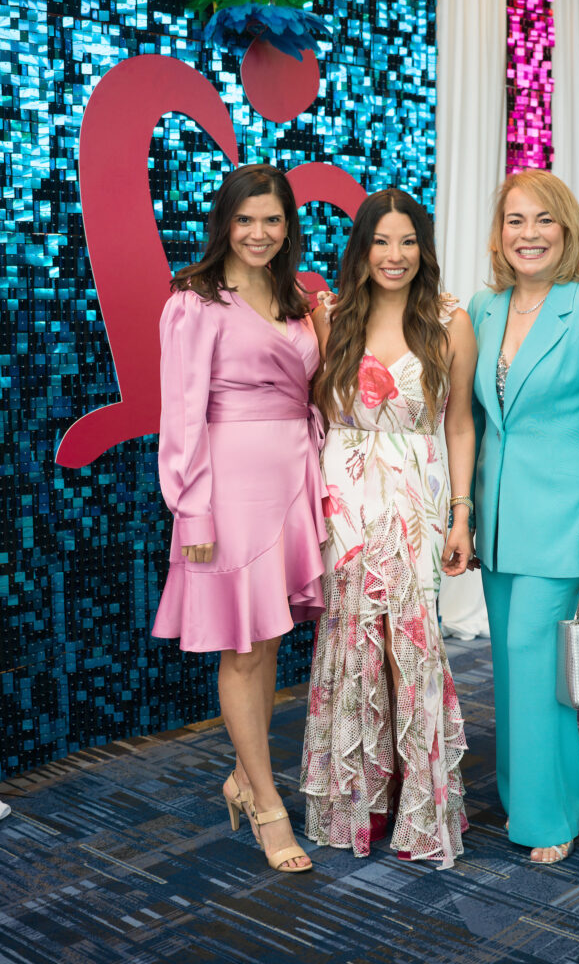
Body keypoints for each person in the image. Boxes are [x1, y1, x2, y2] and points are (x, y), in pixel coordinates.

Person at [152, 163, 326, 873]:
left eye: (273, 220)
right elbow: (181, 415)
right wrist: (190, 510)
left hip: (294, 477)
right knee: (243, 649)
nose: (259, 233)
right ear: (225, 221)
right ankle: (266, 804)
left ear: (288, 227)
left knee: (272, 642)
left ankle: (242, 775)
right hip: (227, 490)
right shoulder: (194, 302)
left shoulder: (296, 298)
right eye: (246, 218)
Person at [300, 189, 478, 867]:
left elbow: (459, 424)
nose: (395, 255)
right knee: (350, 642)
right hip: (342, 497)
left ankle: (417, 799)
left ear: (423, 249)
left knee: (410, 643)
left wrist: (462, 512)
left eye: (408, 241)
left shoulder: (449, 319)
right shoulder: (332, 313)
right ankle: (358, 797)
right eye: (381, 241)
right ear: (362, 247)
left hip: (415, 499)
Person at [468, 169, 579, 865]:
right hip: (498, 526)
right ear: (499, 233)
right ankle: (532, 792)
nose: (528, 234)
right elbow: (476, 420)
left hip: (563, 524)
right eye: (515, 221)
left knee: (540, 673)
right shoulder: (482, 308)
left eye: (543, 221)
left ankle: (546, 817)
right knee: (512, 672)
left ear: (566, 230)